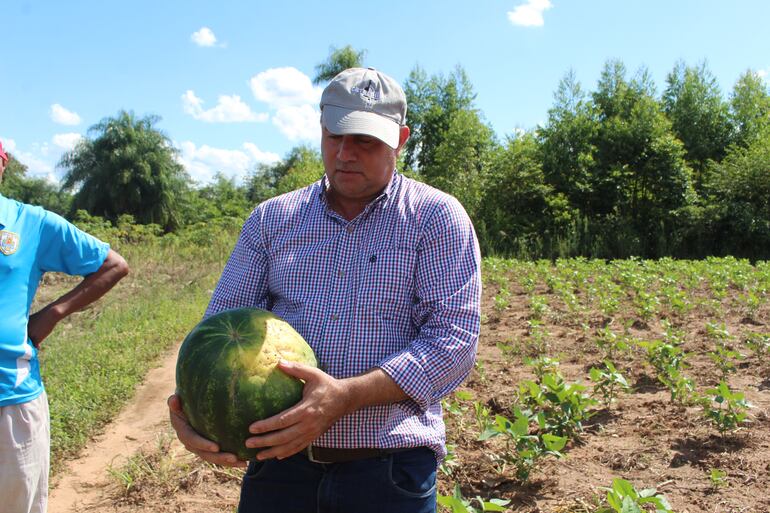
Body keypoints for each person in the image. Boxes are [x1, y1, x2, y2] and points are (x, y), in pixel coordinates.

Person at [169, 67, 481, 513]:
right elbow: (220, 330)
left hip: (387, 472)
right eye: (336, 136)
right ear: (321, 128)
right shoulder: (272, 220)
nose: (346, 153)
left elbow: (453, 346)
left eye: (366, 141)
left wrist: (344, 398)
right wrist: (190, 410)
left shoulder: (436, 219)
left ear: (401, 139)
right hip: (280, 469)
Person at [0, 140, 129, 513]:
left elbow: (113, 265)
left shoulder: (31, 223)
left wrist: (53, 314)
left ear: (4, 164)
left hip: (10, 400)